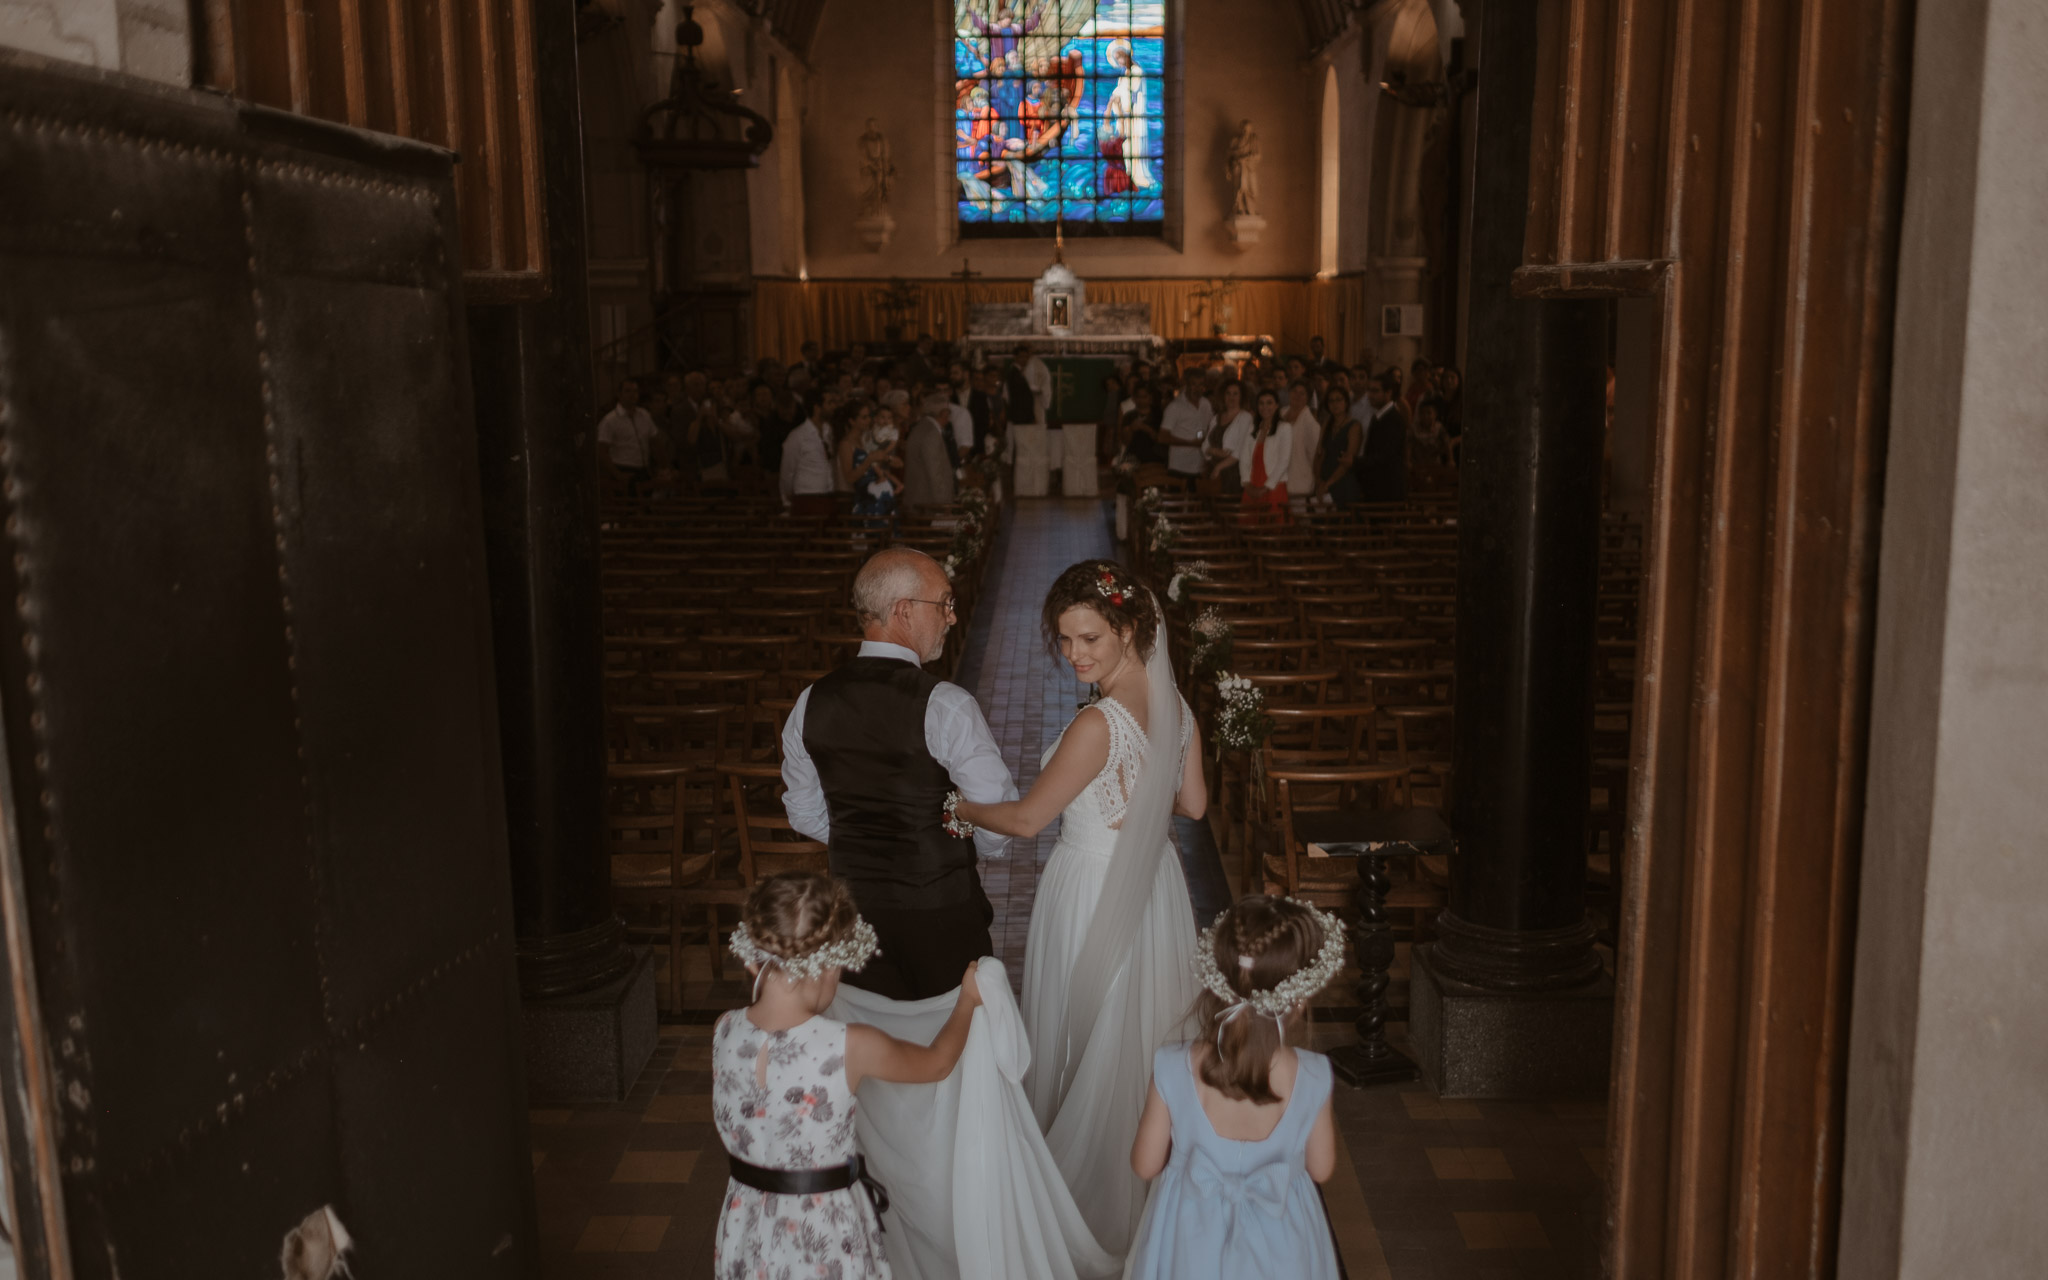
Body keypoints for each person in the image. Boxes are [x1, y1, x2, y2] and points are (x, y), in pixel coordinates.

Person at [951, 562, 1205, 1258]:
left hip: (1093, 888)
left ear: (1129, 630)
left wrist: (957, 806)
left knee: (1089, 1039)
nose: (1075, 655)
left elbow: (1030, 821)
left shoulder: (1099, 722)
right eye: (1065, 641)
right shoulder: (1176, 705)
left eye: (1090, 637)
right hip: (1155, 887)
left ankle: (1083, 1200)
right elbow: (1195, 805)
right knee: (1139, 1035)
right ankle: (1151, 1189)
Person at [714, 871, 985, 1280]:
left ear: (755, 956)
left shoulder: (724, 1030)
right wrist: (967, 1000)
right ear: (826, 966)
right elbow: (938, 1063)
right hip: (821, 1229)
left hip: (747, 1223)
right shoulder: (847, 1045)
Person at [781, 549, 1018, 999]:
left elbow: (802, 812)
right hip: (941, 909)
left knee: (874, 1047)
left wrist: (863, 840)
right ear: (903, 611)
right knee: (958, 1042)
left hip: (853, 912)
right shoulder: (946, 703)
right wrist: (963, 850)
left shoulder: (812, 700)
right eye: (944, 603)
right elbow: (995, 811)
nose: (951, 618)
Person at [1124, 895, 1343, 1280]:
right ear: (1300, 1000)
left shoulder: (1173, 1066)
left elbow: (1144, 1163)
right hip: (1284, 1248)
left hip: (1189, 1248)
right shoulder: (1313, 1075)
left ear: (1217, 985)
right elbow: (1322, 1168)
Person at [596, 378, 658, 494]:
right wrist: (618, 474)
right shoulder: (610, 420)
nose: (632, 395)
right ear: (619, 394)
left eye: (635, 391)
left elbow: (654, 441)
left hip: (643, 468)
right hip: (622, 468)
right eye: (628, 391)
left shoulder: (644, 415)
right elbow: (601, 451)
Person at [779, 392, 836, 516]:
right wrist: (787, 500)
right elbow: (787, 472)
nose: (833, 406)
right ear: (817, 408)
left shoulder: (828, 431)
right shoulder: (797, 436)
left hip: (828, 494)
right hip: (806, 497)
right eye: (829, 403)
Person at [1240, 387, 1292, 520]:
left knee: (1273, 527)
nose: (1265, 407)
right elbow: (1244, 457)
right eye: (1261, 403)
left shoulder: (1284, 428)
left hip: (1273, 485)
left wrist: (1266, 487)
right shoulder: (1252, 428)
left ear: (1277, 405)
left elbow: (1283, 461)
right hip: (1252, 484)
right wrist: (1247, 483)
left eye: (1269, 403)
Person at [1356, 372, 1409, 502]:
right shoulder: (1379, 416)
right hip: (1377, 488)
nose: (1370, 395)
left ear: (1388, 393)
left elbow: (1384, 456)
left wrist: (1355, 462)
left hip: (1387, 490)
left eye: (1375, 391)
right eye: (1369, 390)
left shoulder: (1393, 419)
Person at [903, 390, 959, 508]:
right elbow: (935, 474)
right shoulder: (930, 434)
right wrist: (944, 507)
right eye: (948, 412)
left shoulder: (922, 427)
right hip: (927, 504)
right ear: (943, 413)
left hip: (923, 501)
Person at [1310, 384, 1363, 507]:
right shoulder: (1327, 424)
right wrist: (1318, 480)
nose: (1335, 404)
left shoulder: (1354, 426)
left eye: (1339, 400)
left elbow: (1348, 461)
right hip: (1324, 478)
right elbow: (1319, 454)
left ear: (1346, 402)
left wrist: (1328, 484)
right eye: (1331, 401)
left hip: (1343, 480)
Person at [1159, 376, 1212, 490]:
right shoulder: (1175, 407)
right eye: (1194, 384)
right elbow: (1162, 437)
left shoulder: (1206, 404)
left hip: (1200, 466)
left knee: (1197, 504)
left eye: (1200, 385)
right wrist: (1190, 443)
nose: (1197, 388)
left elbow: (1208, 428)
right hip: (1179, 466)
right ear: (1186, 386)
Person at [1203, 380, 1252, 496]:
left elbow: (1241, 449)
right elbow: (1205, 444)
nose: (1232, 397)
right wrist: (1213, 450)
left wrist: (1220, 467)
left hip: (1233, 472)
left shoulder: (1246, 418)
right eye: (1228, 393)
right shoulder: (1216, 418)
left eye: (1235, 394)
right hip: (1212, 470)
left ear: (1241, 397)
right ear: (1223, 396)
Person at [1281, 379, 1321, 510]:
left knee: (1299, 522)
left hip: (1300, 481)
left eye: (1302, 393)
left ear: (1308, 398)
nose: (1297, 396)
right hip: (1279, 480)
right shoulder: (1281, 413)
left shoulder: (1311, 424)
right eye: (1294, 391)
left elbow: (1315, 457)